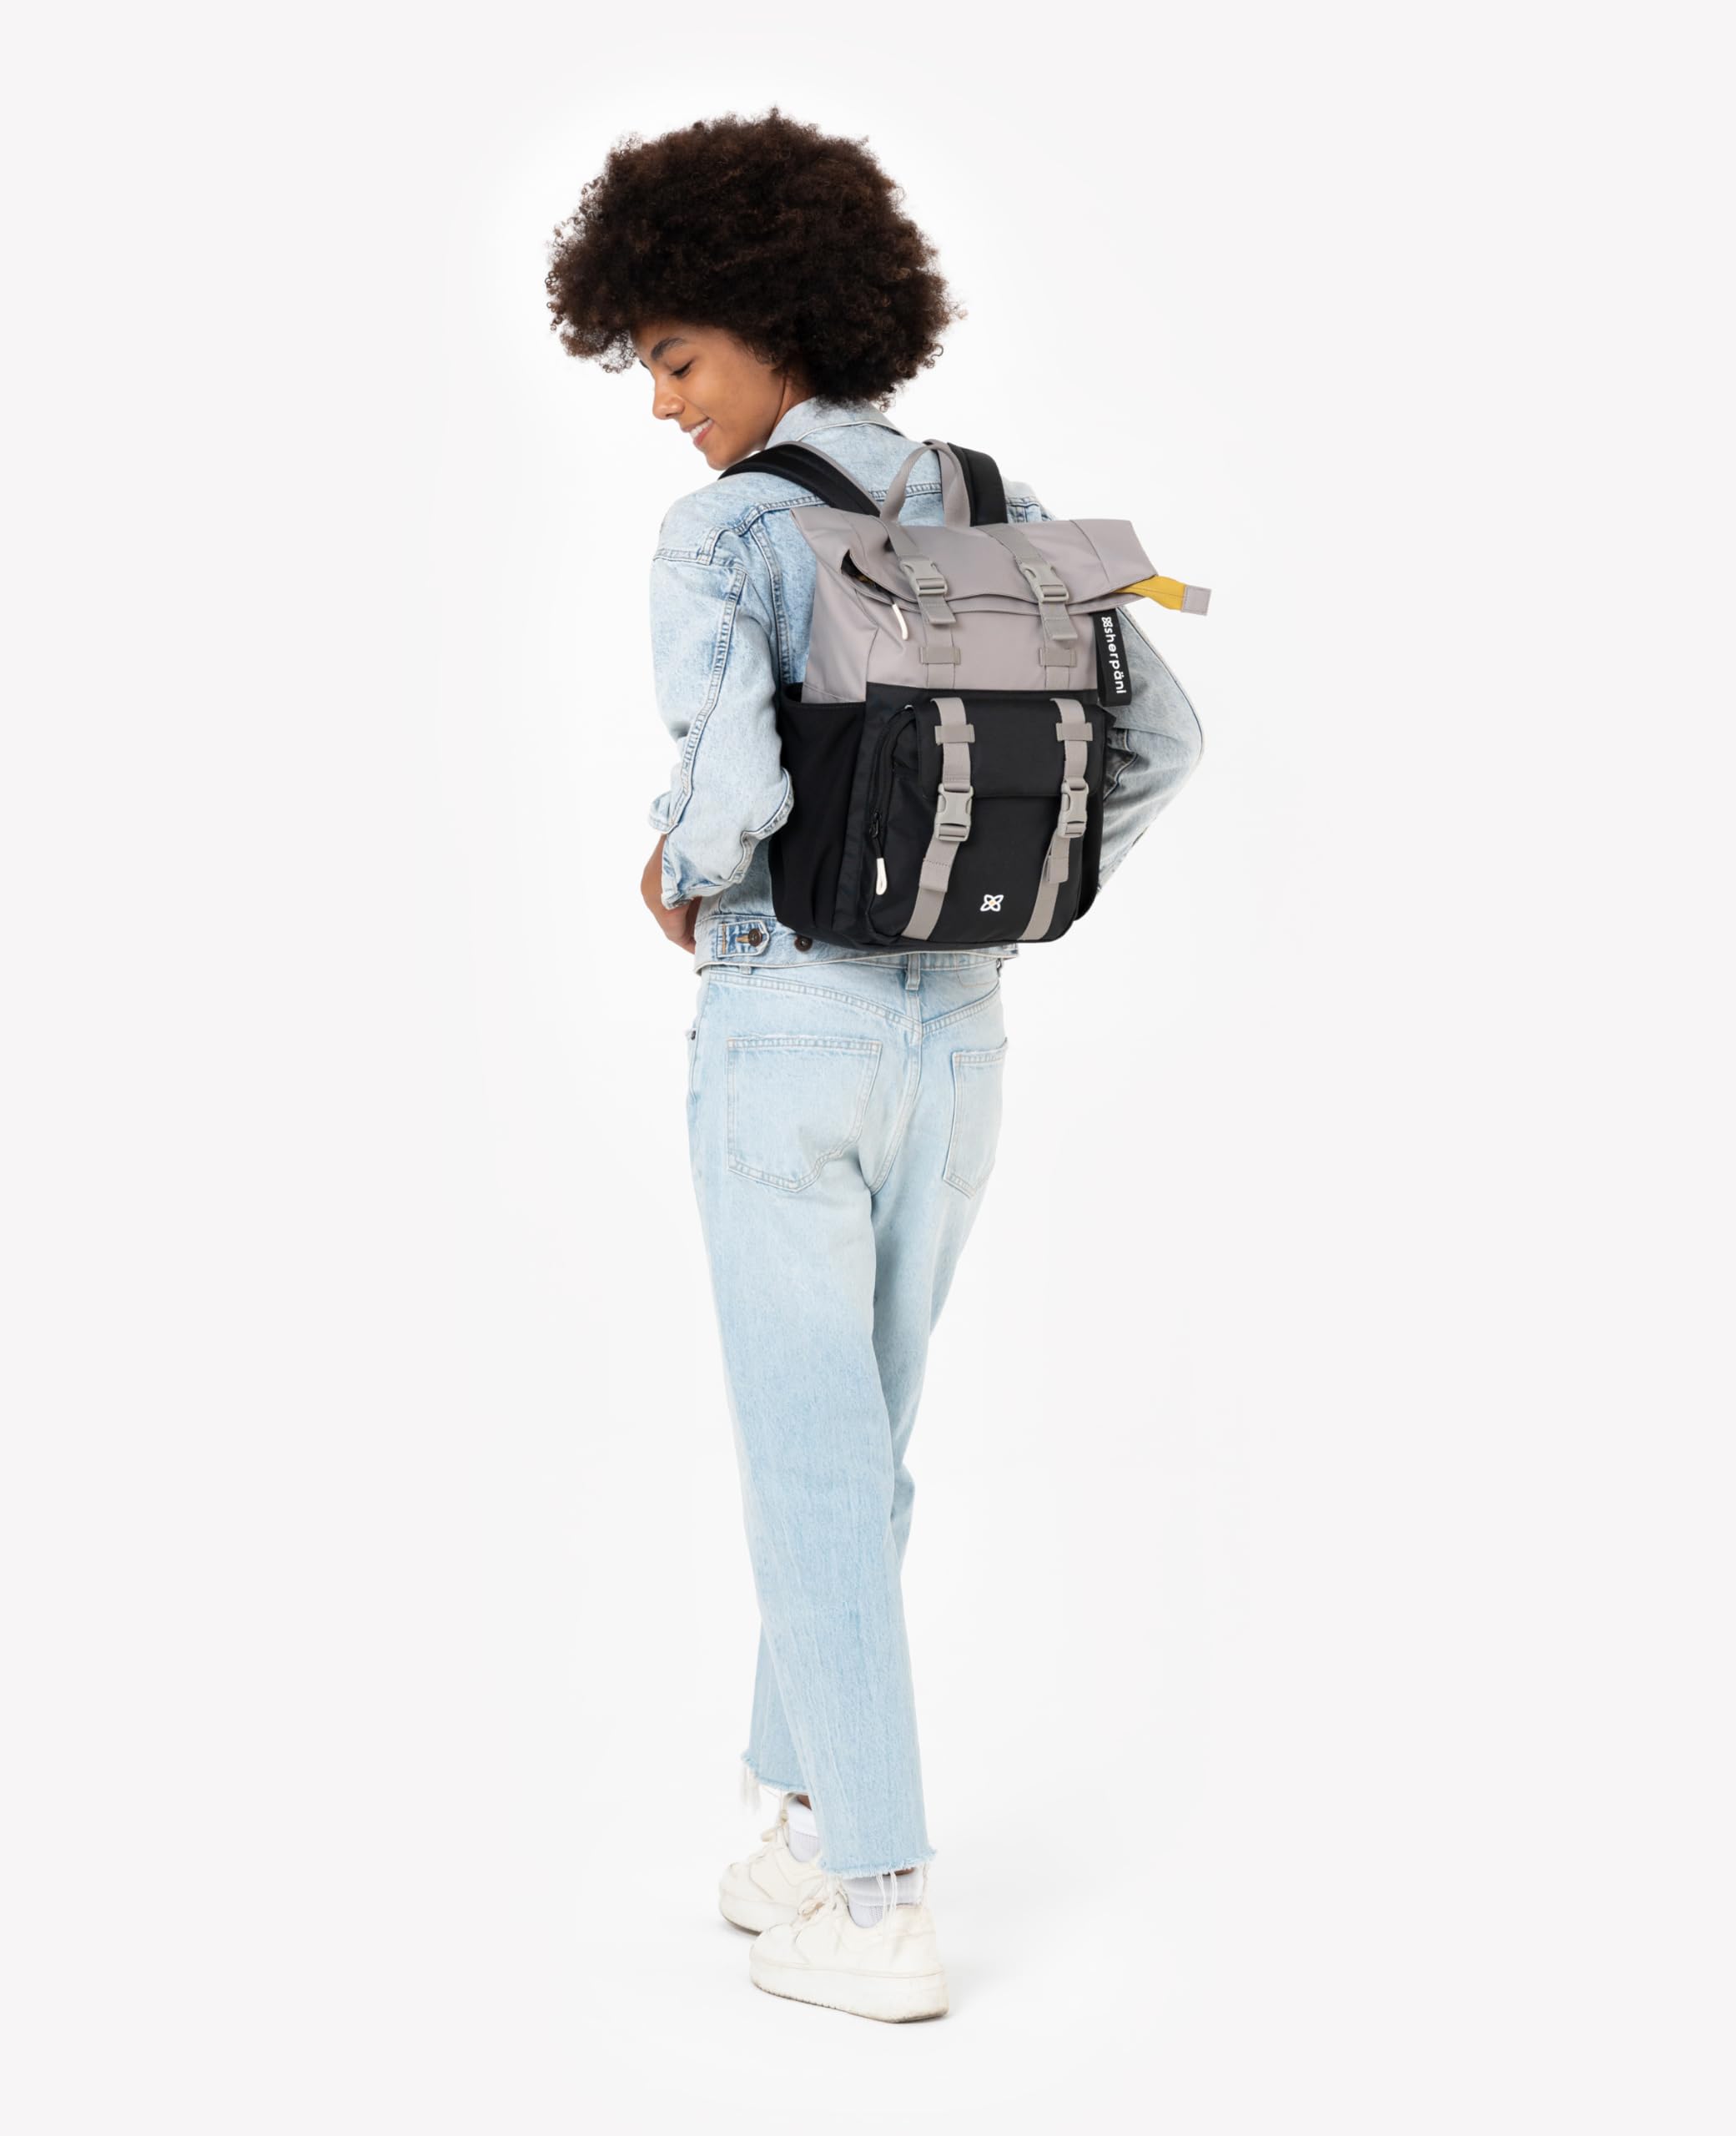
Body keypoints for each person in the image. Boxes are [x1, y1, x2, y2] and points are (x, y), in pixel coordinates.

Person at [545, 108, 1205, 2022]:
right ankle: (804, 1808)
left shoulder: (725, 532)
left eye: (676, 357)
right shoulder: (995, 505)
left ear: (767, 320)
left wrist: (678, 871)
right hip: (959, 1042)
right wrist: (1022, 900)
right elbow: (1162, 743)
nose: (663, 405)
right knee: (862, 1447)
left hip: (789, 1035)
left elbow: (735, 791)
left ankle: (880, 1896)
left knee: (809, 1463)